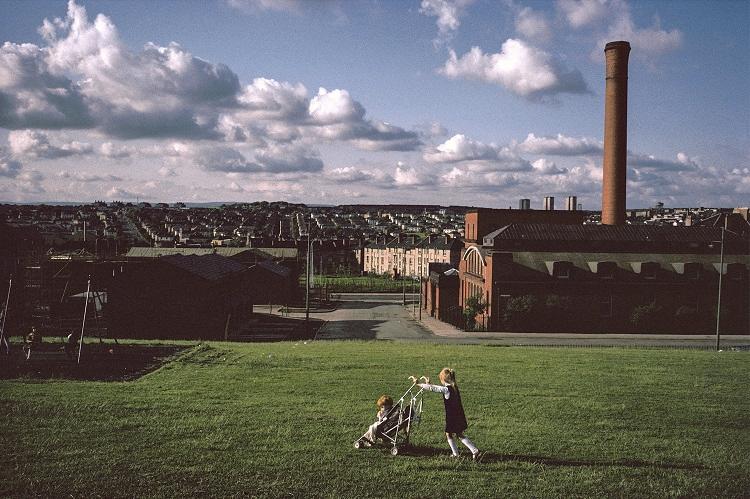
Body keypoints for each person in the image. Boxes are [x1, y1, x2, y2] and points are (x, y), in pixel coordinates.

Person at [412, 368, 481, 460]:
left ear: (443, 379)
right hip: (459, 415)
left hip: (452, 417)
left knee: (449, 434)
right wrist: (428, 384)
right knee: (459, 434)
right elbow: (434, 388)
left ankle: (460, 453)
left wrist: (418, 384)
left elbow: (434, 388)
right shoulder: (454, 387)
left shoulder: (446, 389)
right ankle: (473, 451)